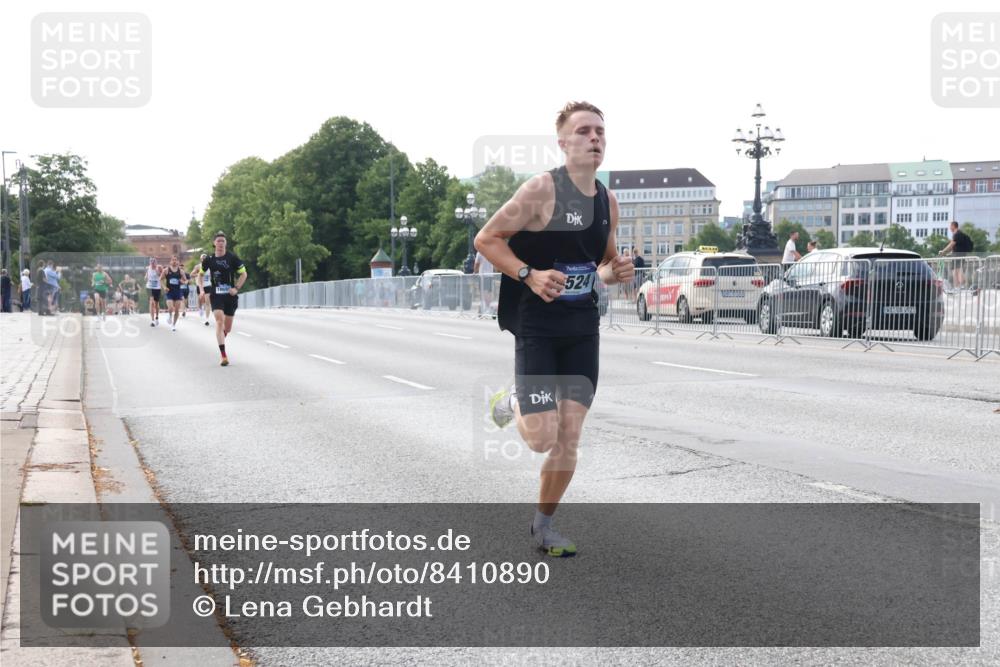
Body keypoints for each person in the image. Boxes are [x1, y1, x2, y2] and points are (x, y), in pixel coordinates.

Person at [474, 101, 634, 557]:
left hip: (582, 327)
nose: (594, 138)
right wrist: (529, 274)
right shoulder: (541, 190)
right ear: (562, 142)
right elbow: (486, 239)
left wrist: (616, 271)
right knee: (542, 437)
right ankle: (510, 401)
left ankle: (543, 528)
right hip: (538, 326)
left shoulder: (606, 201)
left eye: (600, 131)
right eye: (583, 131)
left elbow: (602, 263)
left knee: (569, 435)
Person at [202, 232, 247, 366]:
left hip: (230, 296)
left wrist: (236, 288)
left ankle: (221, 337)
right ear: (214, 243)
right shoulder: (209, 259)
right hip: (216, 295)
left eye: (223, 241)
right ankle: (223, 356)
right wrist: (201, 288)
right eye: (218, 241)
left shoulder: (232, 257)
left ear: (225, 243)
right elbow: (200, 274)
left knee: (227, 328)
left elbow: (244, 274)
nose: (221, 243)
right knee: (219, 321)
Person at [939, 221, 975, 291]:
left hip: (958, 255)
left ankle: (960, 286)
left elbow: (951, 244)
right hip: (959, 254)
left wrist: (943, 251)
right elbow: (955, 247)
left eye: (950, 226)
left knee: (957, 270)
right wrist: (949, 254)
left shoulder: (957, 234)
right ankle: (959, 286)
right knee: (956, 270)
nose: (950, 228)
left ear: (953, 226)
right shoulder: (960, 234)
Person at [160, 256, 187, 332]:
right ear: (170, 261)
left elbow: (186, 280)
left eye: (175, 260)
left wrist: (183, 282)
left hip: (178, 292)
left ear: (177, 261)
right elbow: (160, 279)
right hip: (169, 292)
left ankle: (173, 325)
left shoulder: (181, 271)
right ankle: (169, 315)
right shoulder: (166, 270)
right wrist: (164, 287)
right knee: (171, 308)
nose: (174, 261)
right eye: (173, 260)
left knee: (177, 310)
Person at [473, 250, 496, 317]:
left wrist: (475, 272)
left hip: (483, 275)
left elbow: (477, 264)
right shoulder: (491, 251)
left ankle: (487, 308)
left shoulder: (480, 252)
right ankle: (488, 308)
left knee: (483, 292)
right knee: (489, 292)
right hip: (490, 275)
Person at [192, 255, 213, 325]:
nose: (204, 259)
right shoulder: (198, 266)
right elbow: (191, 274)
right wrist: (199, 274)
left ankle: (207, 319)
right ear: (200, 259)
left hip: (208, 285)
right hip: (200, 285)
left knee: (207, 302)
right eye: (203, 258)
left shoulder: (211, 266)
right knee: (200, 300)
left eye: (205, 258)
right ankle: (200, 308)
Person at [145, 258, 162, 326]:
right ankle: (152, 320)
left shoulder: (158, 268)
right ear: (150, 263)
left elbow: (161, 276)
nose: (152, 264)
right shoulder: (148, 268)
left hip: (157, 287)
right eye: (151, 262)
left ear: (155, 263)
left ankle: (157, 317)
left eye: (153, 262)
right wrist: (146, 277)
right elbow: (146, 276)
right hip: (149, 287)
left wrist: (157, 270)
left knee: (156, 304)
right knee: (151, 302)